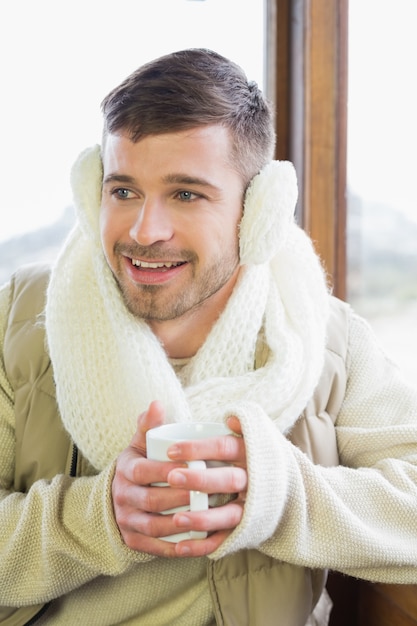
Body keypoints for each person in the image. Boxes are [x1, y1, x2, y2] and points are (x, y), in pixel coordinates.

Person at [1, 48, 417, 626]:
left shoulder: (328, 338)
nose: (146, 231)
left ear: (258, 212)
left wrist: (283, 498)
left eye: (186, 194)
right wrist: (97, 522)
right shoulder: (18, 319)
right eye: (123, 191)